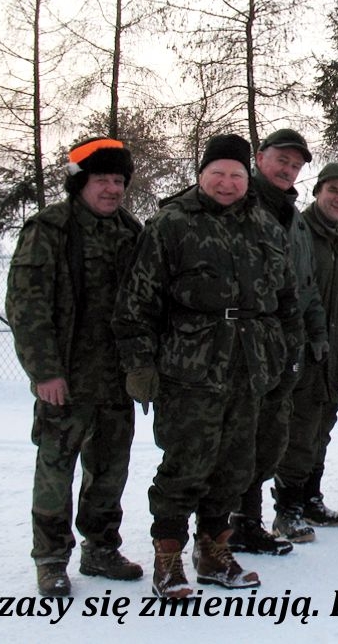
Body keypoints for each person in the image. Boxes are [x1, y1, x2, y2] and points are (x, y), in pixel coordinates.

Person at [113, 134, 302, 598]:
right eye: (218, 173)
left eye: (236, 175)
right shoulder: (171, 224)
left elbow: (287, 299)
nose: (227, 183)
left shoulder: (265, 225)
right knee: (186, 466)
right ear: (201, 175)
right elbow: (136, 303)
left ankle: (214, 552)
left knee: (235, 467)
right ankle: (168, 558)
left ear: (247, 178)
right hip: (190, 370)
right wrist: (140, 365)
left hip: (250, 367)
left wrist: (286, 357)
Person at [7, 138, 144, 597]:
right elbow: (27, 306)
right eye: (102, 180)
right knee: (55, 468)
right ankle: (50, 558)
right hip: (65, 378)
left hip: (116, 378)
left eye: (119, 181)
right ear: (80, 182)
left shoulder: (130, 230)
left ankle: (101, 548)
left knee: (110, 469)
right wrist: (44, 371)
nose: (112, 189)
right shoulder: (50, 229)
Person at [228, 129, 328, 555]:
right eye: (281, 160)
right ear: (260, 157)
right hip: (244, 344)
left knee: (270, 437)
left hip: (285, 344)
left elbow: (306, 284)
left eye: (295, 164)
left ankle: (248, 523)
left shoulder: (294, 217)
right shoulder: (239, 204)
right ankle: (230, 525)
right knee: (240, 438)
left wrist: (316, 331)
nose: (288, 169)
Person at [273, 161, 338, 537]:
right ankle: (288, 508)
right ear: (317, 191)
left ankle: (311, 498)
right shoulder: (296, 231)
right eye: (334, 191)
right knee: (298, 433)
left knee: (322, 431)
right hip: (302, 352)